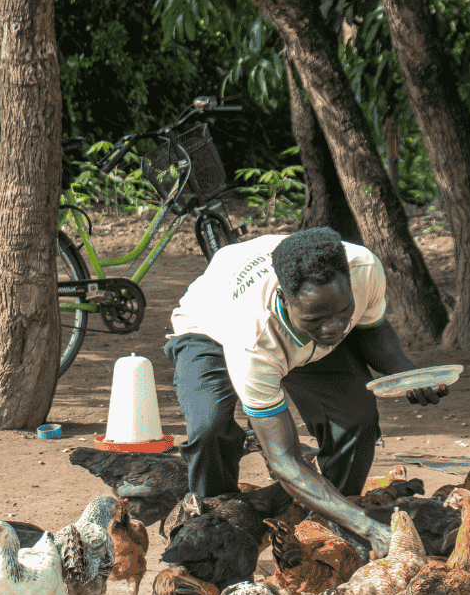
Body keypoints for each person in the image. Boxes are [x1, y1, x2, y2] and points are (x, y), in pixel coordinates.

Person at [163, 227, 445, 556]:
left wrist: (404, 370)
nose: (334, 328)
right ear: (285, 299)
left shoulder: (364, 269)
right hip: (209, 330)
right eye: (317, 318)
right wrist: (370, 526)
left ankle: (334, 525)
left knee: (355, 419)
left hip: (295, 339)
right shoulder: (253, 339)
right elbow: (284, 461)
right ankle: (215, 534)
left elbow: (371, 330)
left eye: (343, 313)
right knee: (210, 428)